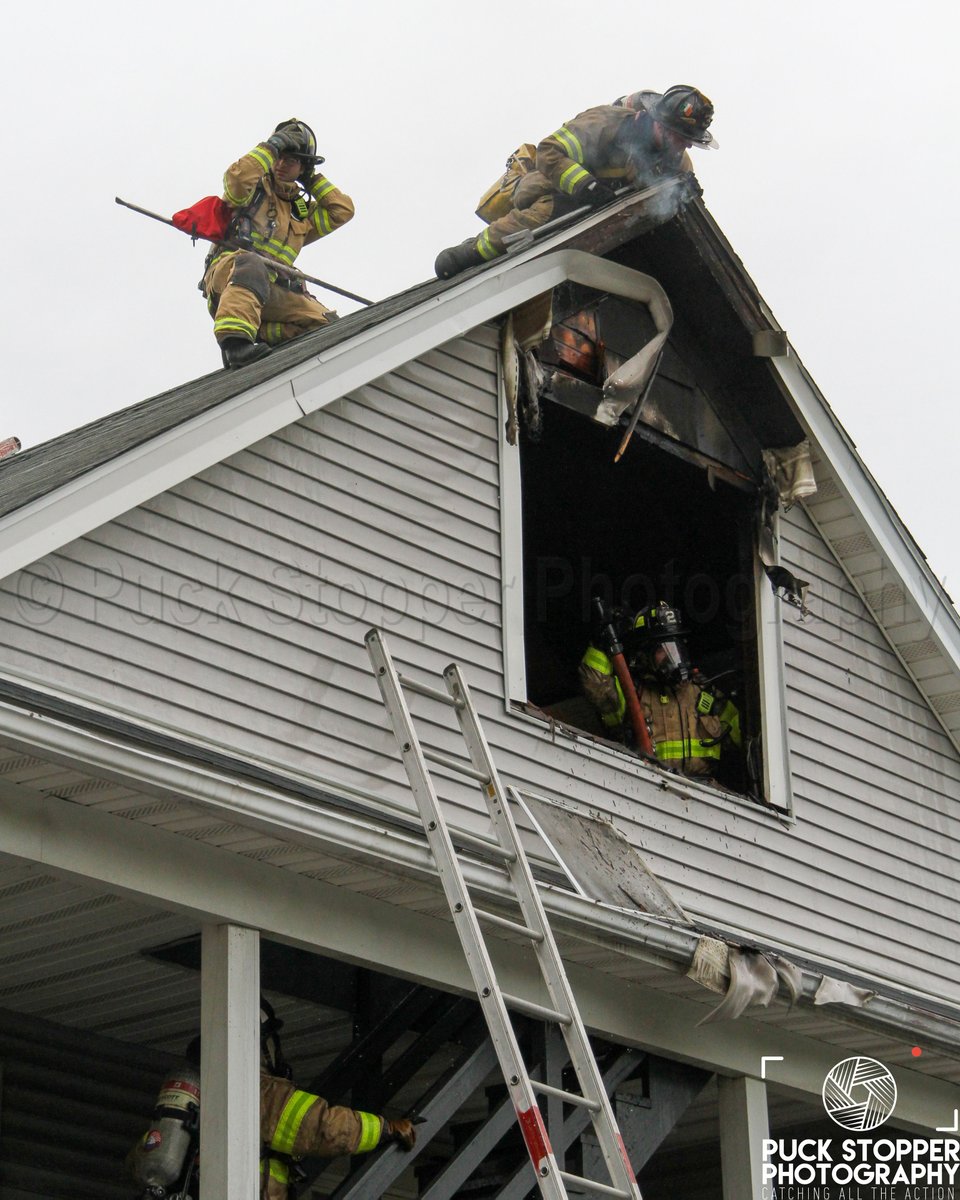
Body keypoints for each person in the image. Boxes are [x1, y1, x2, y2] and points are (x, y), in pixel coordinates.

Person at [128, 998, 415, 1200]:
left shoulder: (203, 1090)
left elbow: (135, 1162)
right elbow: (323, 1127)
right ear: (261, 1043)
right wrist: (384, 1129)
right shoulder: (255, 1090)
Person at [434, 86, 717, 279]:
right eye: (682, 137)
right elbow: (549, 152)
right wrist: (586, 186)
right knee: (541, 215)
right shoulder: (606, 122)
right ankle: (473, 250)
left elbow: (673, 201)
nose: (685, 146)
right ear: (661, 124)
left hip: (605, 212)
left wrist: (689, 197)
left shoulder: (677, 161)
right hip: (557, 187)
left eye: (690, 140)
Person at [203, 119, 355, 369]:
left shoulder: (300, 211)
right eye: (280, 157)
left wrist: (311, 179)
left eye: (291, 160)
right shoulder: (253, 190)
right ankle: (235, 343)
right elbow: (237, 180)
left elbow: (342, 211)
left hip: (270, 290)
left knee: (326, 324)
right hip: (230, 276)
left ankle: (261, 335)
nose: (282, 164)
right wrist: (270, 147)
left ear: (302, 167)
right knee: (251, 264)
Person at [579, 600, 740, 779]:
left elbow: (739, 735)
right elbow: (596, 683)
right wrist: (603, 642)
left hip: (706, 791)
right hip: (647, 786)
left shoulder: (704, 694)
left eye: (676, 647)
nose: (674, 657)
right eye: (664, 650)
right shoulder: (633, 694)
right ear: (644, 654)